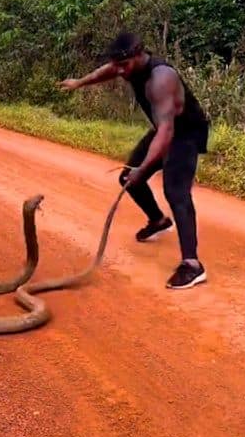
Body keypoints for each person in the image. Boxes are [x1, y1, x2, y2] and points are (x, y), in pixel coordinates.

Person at [59, 32, 209, 289]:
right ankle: (158, 220)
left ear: (139, 54)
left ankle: (192, 265)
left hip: (184, 133)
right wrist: (79, 83)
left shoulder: (161, 78)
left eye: (123, 65)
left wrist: (144, 167)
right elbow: (107, 71)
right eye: (117, 64)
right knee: (129, 178)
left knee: (176, 192)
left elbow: (167, 132)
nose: (119, 71)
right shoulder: (125, 67)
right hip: (165, 129)